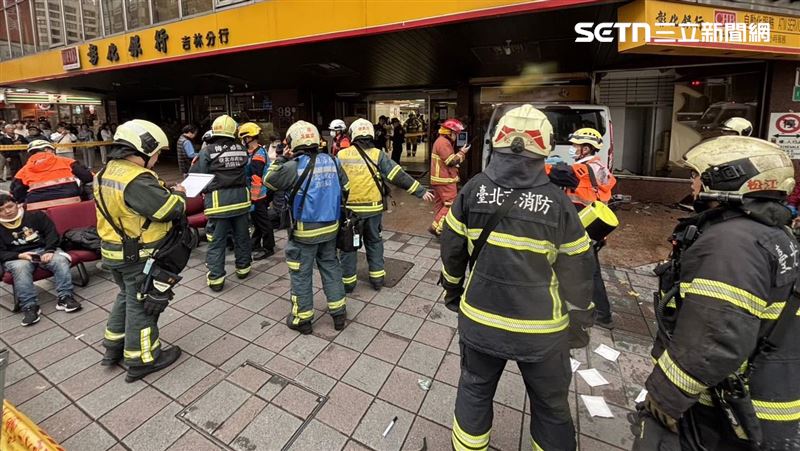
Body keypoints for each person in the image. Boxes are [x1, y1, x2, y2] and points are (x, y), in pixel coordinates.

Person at [440, 105, 595, 451]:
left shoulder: (474, 189)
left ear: (497, 143)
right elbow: (579, 267)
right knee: (551, 407)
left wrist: (452, 290)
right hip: (542, 331)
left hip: (480, 319)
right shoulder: (558, 202)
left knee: (475, 390)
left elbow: (452, 248)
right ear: (544, 148)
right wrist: (580, 315)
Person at [632, 136, 800, 451]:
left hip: (726, 409)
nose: (692, 182)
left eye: (696, 174)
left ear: (728, 179)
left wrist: (665, 397)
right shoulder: (773, 233)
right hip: (766, 393)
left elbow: (714, 337)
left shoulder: (731, 244)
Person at [95, 119, 187, 381]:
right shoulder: (136, 179)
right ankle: (143, 359)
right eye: (157, 153)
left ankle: (113, 346)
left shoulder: (107, 171)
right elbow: (168, 210)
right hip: (139, 254)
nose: (158, 159)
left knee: (126, 295)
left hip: (113, 251)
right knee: (143, 305)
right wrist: (179, 194)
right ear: (143, 150)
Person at [263, 120, 349, 334]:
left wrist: (282, 156)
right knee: (331, 268)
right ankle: (339, 315)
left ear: (294, 142)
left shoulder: (293, 165)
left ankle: (303, 320)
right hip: (331, 228)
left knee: (301, 274)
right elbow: (346, 188)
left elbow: (269, 181)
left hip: (304, 231)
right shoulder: (332, 161)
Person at [337, 119, 433, 292]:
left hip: (351, 212)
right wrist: (420, 191)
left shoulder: (341, 156)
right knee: (374, 243)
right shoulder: (377, 155)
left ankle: (348, 283)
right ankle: (377, 279)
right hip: (373, 210)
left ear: (352, 135)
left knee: (349, 247)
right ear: (371, 135)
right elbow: (397, 175)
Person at [549, 128, 617, 328]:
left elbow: (555, 174)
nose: (573, 149)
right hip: (595, 224)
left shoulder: (583, 169)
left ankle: (602, 314)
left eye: (576, 146)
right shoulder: (599, 167)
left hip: (581, 224)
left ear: (586, 149)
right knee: (586, 268)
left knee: (587, 270)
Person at [190, 115, 252, 291]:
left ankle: (216, 279)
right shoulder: (242, 149)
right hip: (241, 201)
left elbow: (197, 174)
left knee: (217, 241)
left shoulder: (207, 151)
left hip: (219, 204)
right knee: (242, 237)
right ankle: (243, 268)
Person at [0, 193, 81, 326]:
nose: (7, 211)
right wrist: (20, 256)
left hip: (43, 249)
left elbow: (51, 233)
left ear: (17, 205)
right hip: (17, 256)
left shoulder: (36, 216)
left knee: (59, 260)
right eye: (1, 210)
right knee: (21, 268)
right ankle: (30, 306)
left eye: (9, 207)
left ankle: (65, 297)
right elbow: (1, 252)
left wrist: (49, 250)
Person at [11, 140, 92, 211]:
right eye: (53, 150)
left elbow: (16, 192)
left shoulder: (23, 170)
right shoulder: (66, 161)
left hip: (36, 206)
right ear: (47, 149)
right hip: (70, 200)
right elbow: (87, 177)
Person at [238, 122, 275, 260]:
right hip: (257, 193)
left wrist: (253, 198)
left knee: (263, 222)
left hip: (259, 194)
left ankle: (268, 247)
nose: (242, 141)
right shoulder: (253, 152)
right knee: (257, 221)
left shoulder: (258, 155)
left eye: (243, 138)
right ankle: (255, 243)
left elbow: (256, 178)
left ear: (249, 138)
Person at [429, 118, 469, 237]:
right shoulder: (443, 142)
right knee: (450, 204)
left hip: (439, 180)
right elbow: (450, 161)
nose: (456, 136)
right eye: (455, 133)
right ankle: (436, 227)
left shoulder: (441, 141)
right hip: (445, 180)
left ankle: (442, 227)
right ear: (449, 132)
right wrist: (462, 153)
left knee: (440, 205)